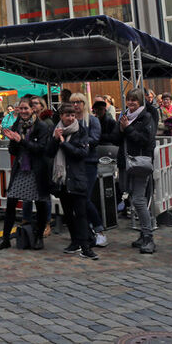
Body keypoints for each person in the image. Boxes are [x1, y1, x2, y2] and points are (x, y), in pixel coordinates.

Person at [0, 98, 52, 250]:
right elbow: (13, 150)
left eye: (26, 108)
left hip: (36, 169)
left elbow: (41, 149)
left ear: (33, 109)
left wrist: (22, 141)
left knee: (39, 203)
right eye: (21, 108)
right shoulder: (17, 124)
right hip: (21, 168)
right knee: (11, 201)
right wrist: (13, 141)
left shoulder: (42, 126)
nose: (24, 111)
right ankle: (5, 238)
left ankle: (39, 237)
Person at [47, 102, 98, 260]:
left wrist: (64, 144)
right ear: (61, 116)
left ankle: (85, 247)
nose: (70, 118)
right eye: (67, 115)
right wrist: (56, 140)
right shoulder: (55, 130)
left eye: (73, 115)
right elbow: (48, 152)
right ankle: (75, 242)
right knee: (68, 213)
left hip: (76, 177)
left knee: (81, 213)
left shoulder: (80, 131)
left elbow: (82, 153)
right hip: (62, 179)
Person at [116, 90, 158, 254]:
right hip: (125, 162)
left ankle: (148, 237)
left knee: (139, 200)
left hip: (140, 163)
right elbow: (115, 138)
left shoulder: (146, 117)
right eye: (129, 100)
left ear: (141, 102)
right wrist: (120, 129)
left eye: (135, 100)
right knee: (132, 196)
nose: (131, 103)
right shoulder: (124, 116)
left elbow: (146, 140)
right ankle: (143, 234)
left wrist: (127, 129)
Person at [71, 93, 107, 248]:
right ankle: (85, 232)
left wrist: (77, 142)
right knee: (76, 200)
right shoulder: (69, 120)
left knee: (84, 198)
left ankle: (99, 230)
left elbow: (94, 139)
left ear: (84, 103)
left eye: (79, 102)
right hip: (73, 163)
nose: (76, 105)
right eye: (73, 102)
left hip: (88, 163)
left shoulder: (92, 120)